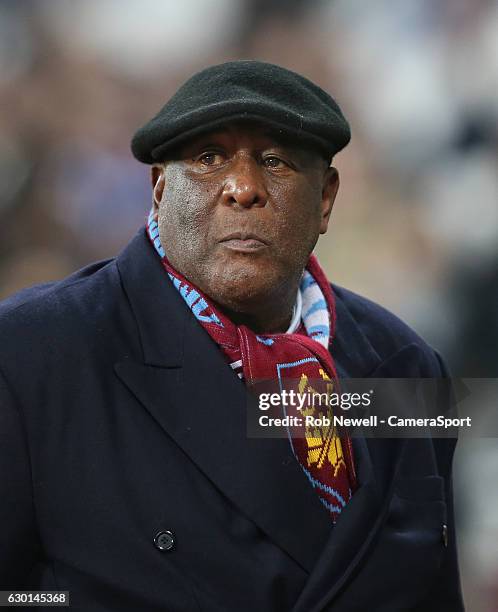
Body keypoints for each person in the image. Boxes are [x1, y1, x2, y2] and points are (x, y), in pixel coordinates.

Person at [0, 61, 464, 611]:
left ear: (325, 200)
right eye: (208, 158)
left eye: (275, 160)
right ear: (158, 187)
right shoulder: (33, 354)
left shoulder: (405, 366)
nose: (243, 188)